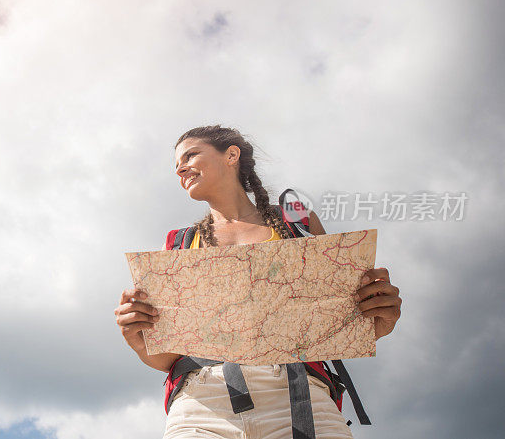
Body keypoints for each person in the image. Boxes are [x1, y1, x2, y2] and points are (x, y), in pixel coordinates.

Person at [114, 125, 402, 438]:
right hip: (203, 403)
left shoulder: (296, 221)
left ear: (232, 155)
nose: (181, 168)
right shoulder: (178, 243)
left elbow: (334, 317)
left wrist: (376, 318)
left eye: (191, 155)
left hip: (300, 396)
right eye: (176, 165)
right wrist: (136, 337)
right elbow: (165, 358)